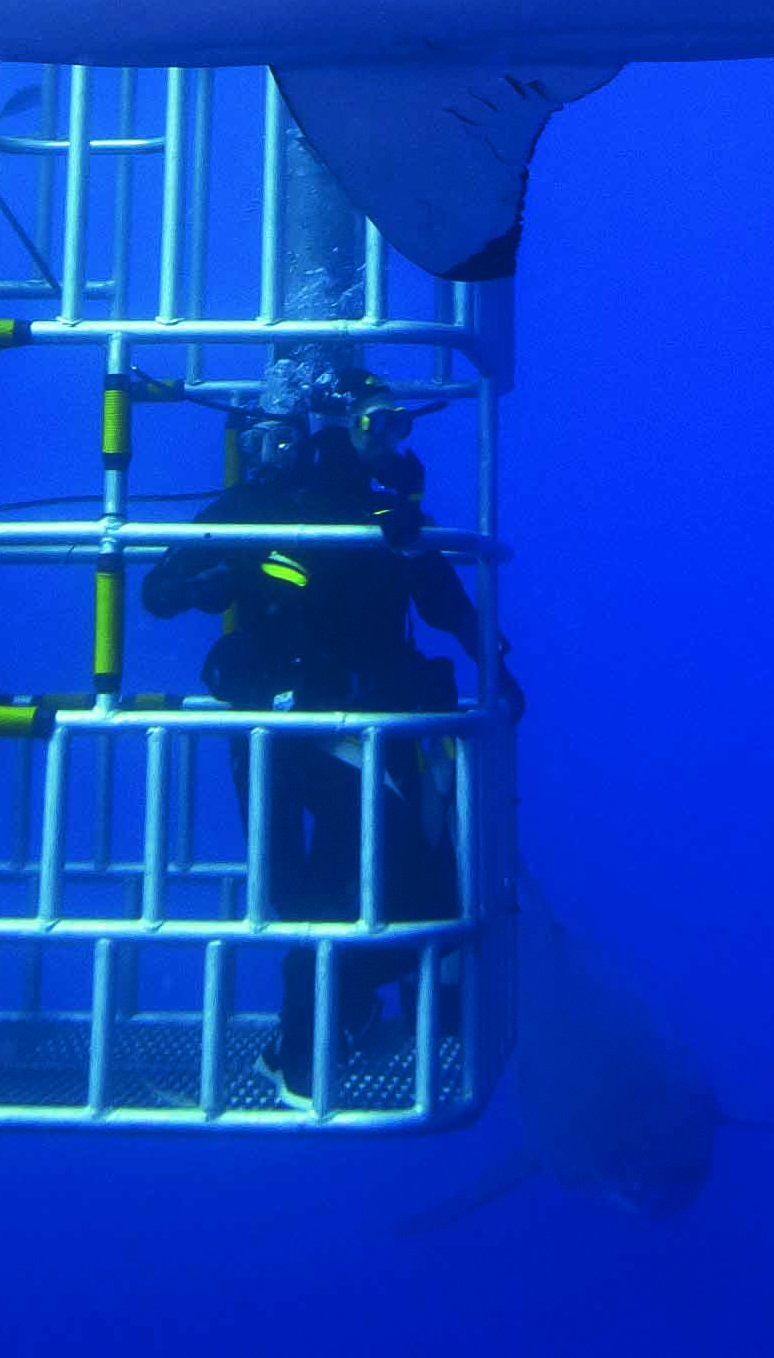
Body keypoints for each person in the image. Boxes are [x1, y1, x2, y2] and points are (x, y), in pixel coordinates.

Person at [142, 366, 518, 1102]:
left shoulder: (387, 520)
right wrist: (202, 586)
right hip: (286, 726)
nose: (389, 442)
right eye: (376, 425)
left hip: (365, 724)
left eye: (397, 426)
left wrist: (496, 665)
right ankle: (309, 1042)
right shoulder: (253, 508)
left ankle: (334, 1027)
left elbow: (448, 604)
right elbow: (158, 591)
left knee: (403, 881)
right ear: (338, 429)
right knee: (314, 888)